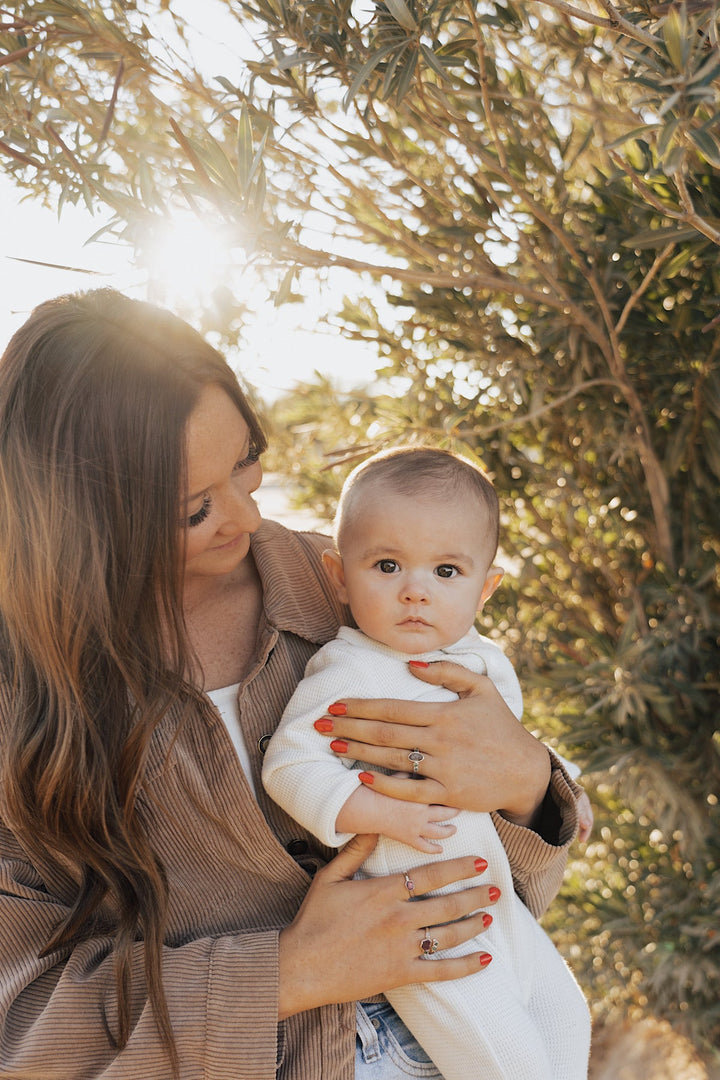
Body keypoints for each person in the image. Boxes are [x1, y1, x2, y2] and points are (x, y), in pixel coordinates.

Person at [0, 288, 583, 1080]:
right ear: (86, 521)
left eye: (246, 460)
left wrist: (524, 786)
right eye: (197, 508)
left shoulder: (348, 588)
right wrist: (286, 973)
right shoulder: (21, 703)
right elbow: (21, 1025)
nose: (247, 515)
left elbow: (503, 892)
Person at [263, 447, 591, 1080]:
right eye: (387, 565)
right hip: (414, 926)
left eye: (446, 571)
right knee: (509, 1063)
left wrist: (557, 777)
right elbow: (289, 767)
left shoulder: (480, 661)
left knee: (566, 1017)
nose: (415, 590)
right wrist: (382, 813)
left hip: (495, 902)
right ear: (338, 577)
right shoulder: (346, 670)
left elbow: (512, 745)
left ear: (485, 587)